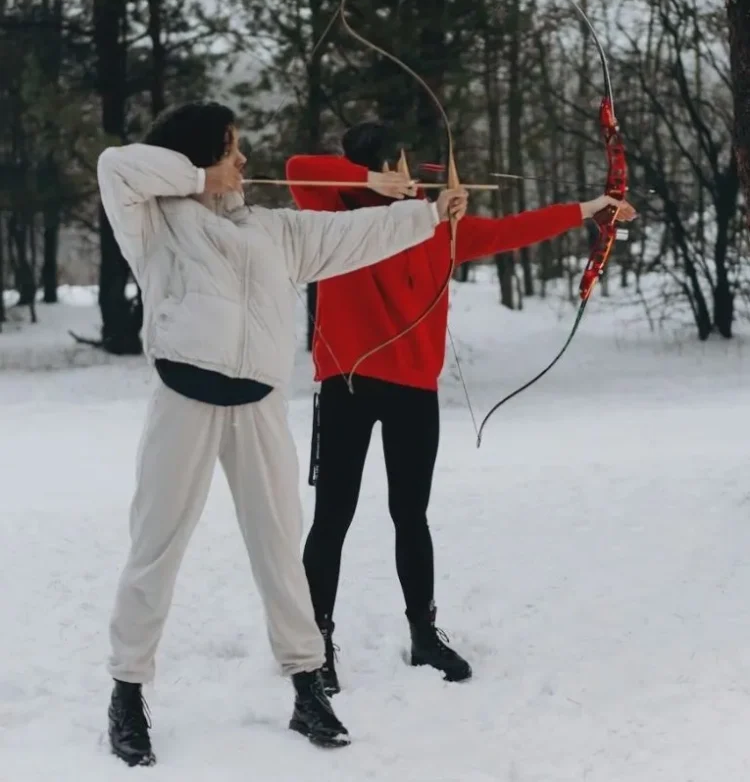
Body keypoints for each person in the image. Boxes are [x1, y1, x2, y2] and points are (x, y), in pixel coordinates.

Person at [97, 103, 468, 766]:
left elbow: (355, 235)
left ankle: (305, 686)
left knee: (279, 553)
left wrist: (431, 212)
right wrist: (198, 176)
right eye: (231, 148)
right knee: (155, 548)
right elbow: (116, 164)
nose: (244, 161)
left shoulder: (274, 230)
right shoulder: (153, 221)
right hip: (184, 402)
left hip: (259, 409)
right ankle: (127, 691)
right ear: (199, 156)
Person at [286, 121, 637, 695]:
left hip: (414, 391)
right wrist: (372, 183)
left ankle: (423, 634)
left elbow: (513, 230)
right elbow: (299, 170)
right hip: (348, 383)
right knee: (333, 518)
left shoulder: (438, 227)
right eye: (399, 164)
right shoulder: (337, 216)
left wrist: (590, 209)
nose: (414, 173)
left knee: (411, 515)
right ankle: (314, 646)